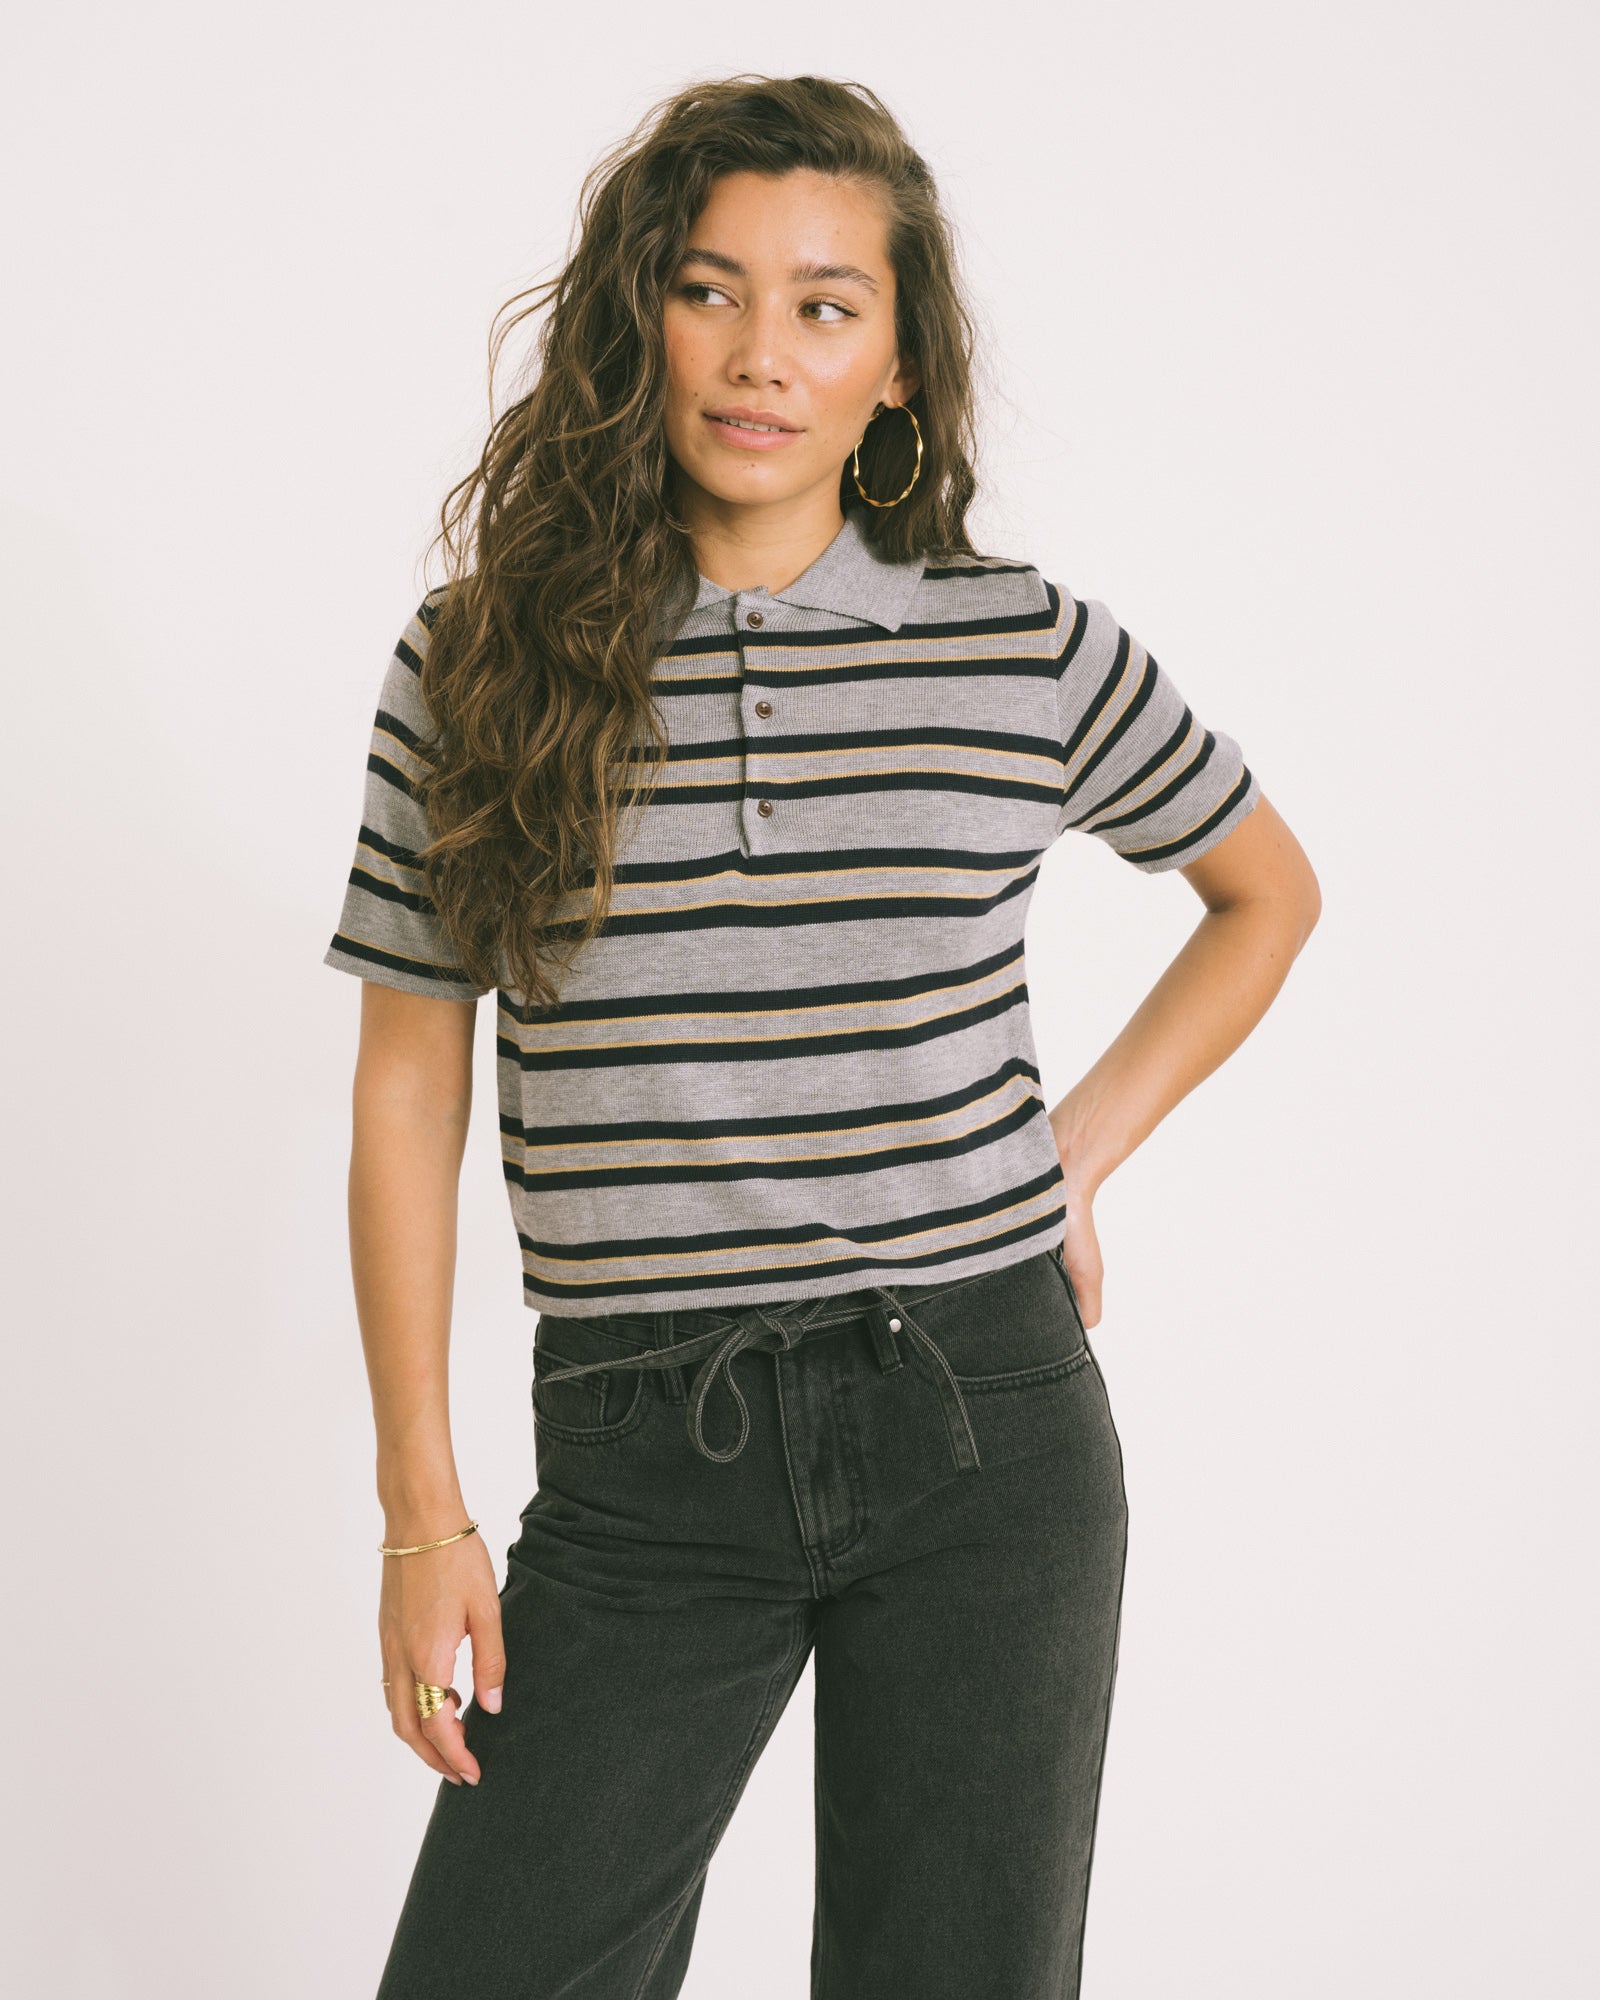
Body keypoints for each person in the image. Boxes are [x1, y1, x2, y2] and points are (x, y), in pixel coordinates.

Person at [324, 72, 1320, 2000]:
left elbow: (1265, 891)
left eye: (825, 305)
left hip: (983, 1423)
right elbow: (407, 1084)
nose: (761, 354)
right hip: (639, 1445)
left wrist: (1073, 1153)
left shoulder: (1021, 645)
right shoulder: (479, 660)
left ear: (901, 364)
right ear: (640, 317)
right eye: (710, 290)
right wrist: (417, 1512)